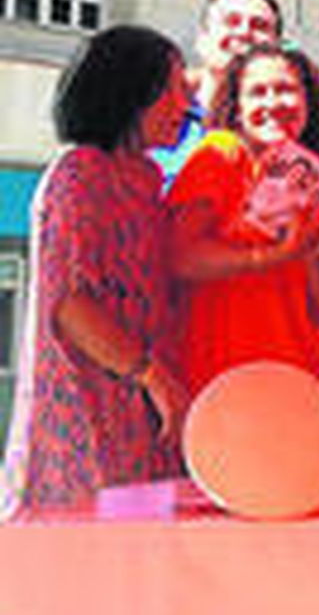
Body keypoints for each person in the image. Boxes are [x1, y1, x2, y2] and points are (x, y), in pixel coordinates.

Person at [1, 27, 191, 514]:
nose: (185, 104)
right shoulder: (81, 174)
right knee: (93, 567)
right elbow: (68, 304)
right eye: (173, 89)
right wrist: (151, 374)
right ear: (131, 92)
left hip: (143, 423)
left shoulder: (145, 180)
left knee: (142, 564)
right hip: (85, 417)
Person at [167, 45, 319, 394]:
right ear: (238, 108)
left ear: (308, 102)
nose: (273, 103)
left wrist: (317, 256)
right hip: (223, 378)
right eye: (257, 92)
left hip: (301, 377)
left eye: (286, 89)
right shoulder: (221, 153)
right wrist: (267, 257)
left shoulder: (317, 183)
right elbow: (179, 257)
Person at [151, 0, 284, 179]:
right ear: (202, 40)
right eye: (231, 21)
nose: (244, 32)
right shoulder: (150, 115)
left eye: (260, 26)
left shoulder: (294, 126)